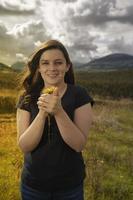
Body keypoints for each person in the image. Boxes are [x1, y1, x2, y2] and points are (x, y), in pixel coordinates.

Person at [16, 39, 94, 200]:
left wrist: (58, 111)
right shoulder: (27, 97)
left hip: (69, 186)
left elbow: (78, 144)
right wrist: (43, 113)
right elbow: (25, 146)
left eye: (58, 63)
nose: (52, 68)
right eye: (45, 63)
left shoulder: (79, 94)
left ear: (67, 66)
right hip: (33, 186)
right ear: (39, 67)